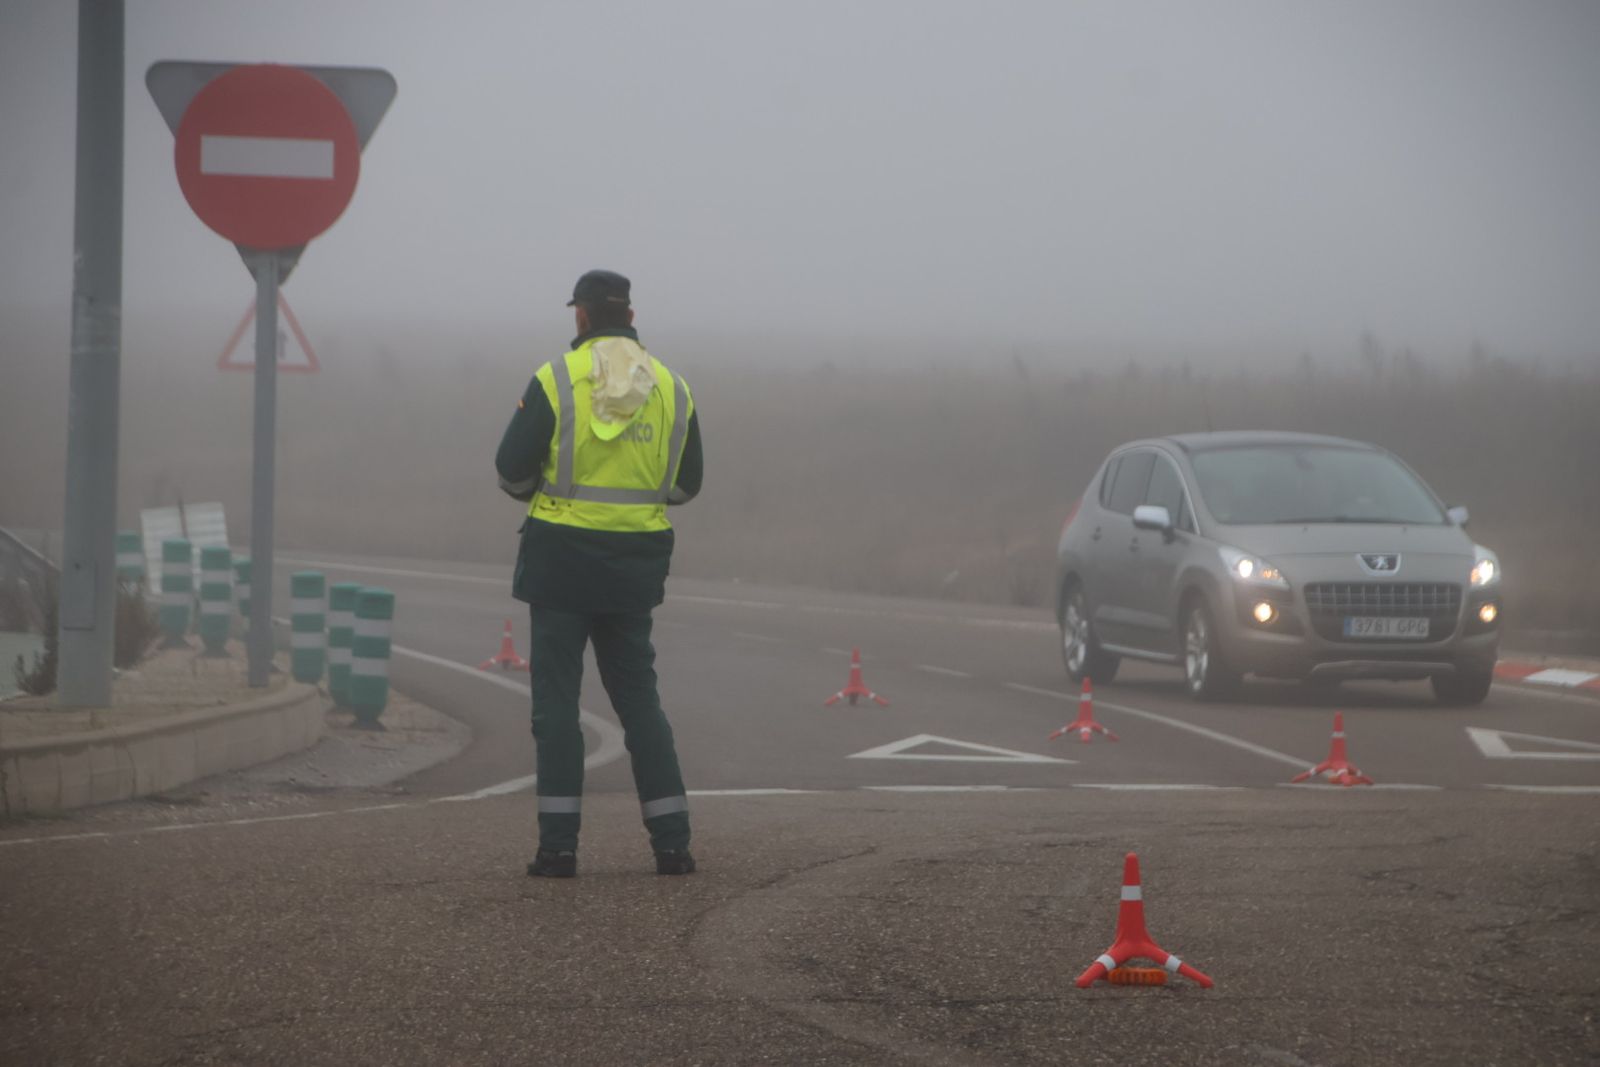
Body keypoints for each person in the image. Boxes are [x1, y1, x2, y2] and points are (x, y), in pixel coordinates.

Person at [495, 269, 703, 878]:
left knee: (556, 705)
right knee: (640, 701)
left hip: (560, 561)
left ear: (581, 318)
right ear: (631, 318)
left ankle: (558, 849)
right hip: (633, 566)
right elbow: (687, 485)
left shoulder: (555, 379)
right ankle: (673, 846)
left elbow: (510, 472)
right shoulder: (672, 386)